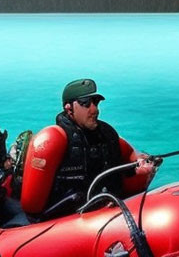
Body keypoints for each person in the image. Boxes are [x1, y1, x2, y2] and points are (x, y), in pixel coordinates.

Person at [20, 78, 156, 219]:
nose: (95, 110)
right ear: (69, 108)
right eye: (85, 103)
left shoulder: (106, 135)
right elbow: (32, 206)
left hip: (107, 214)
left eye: (95, 103)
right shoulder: (54, 139)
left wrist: (144, 165)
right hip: (61, 224)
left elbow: (132, 156)